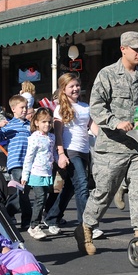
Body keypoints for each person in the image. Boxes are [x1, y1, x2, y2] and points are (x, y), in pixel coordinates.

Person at [75, 31, 138, 258]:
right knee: (104, 192)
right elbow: (96, 107)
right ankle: (85, 228)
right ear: (123, 49)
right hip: (112, 146)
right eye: (136, 49)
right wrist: (115, 122)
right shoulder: (107, 75)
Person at [46, 73, 93, 232]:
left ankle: (52, 218)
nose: (75, 89)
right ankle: (85, 225)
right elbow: (58, 134)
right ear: (64, 89)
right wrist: (61, 154)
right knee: (82, 185)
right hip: (69, 150)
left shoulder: (86, 107)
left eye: (77, 85)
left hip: (85, 150)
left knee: (71, 187)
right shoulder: (60, 108)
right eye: (71, 86)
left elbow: (94, 128)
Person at [0, 95, 31, 229]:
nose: (25, 110)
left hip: (28, 163)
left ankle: (25, 221)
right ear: (13, 109)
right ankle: (8, 214)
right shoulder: (9, 125)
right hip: (16, 162)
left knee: (25, 193)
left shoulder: (29, 125)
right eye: (22, 107)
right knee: (20, 192)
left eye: (26, 107)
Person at [21, 107, 56, 241]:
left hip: (47, 173)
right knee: (40, 198)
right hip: (36, 173)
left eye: (49, 122)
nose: (47, 125)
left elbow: (52, 153)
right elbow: (29, 158)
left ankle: (38, 222)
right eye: (43, 122)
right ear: (36, 123)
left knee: (43, 199)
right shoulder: (34, 138)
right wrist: (25, 175)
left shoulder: (51, 137)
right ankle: (34, 226)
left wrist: (60, 159)